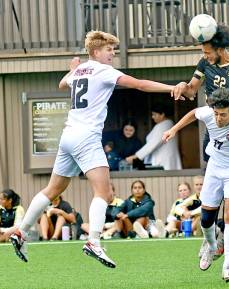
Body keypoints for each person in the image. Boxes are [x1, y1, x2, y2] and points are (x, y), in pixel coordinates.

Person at [10, 30, 175, 267]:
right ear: (96, 52)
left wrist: (73, 67)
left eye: (114, 51)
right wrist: (171, 88)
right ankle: (94, 241)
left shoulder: (79, 70)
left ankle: (21, 231)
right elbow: (138, 84)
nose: (113, 55)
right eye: (109, 50)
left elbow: (61, 83)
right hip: (86, 137)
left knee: (53, 189)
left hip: (68, 136)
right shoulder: (103, 70)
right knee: (104, 193)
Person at [162, 88, 229, 282]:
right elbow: (192, 114)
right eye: (216, 113)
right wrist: (173, 129)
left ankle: (228, 267)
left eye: (223, 115)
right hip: (214, 166)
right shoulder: (209, 113)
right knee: (206, 220)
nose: (218, 118)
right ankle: (211, 246)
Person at [171, 24, 229, 162]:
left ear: (220, 50)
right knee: (209, 166)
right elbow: (191, 91)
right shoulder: (204, 63)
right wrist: (182, 85)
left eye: (208, 53)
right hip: (212, 128)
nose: (205, 56)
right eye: (203, 52)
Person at [126, 103, 182, 170]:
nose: (152, 117)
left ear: (162, 115)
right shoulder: (168, 124)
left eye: (154, 114)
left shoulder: (164, 125)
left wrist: (136, 156)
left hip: (163, 162)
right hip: (165, 160)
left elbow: (153, 144)